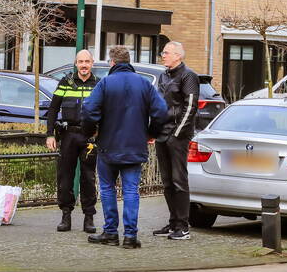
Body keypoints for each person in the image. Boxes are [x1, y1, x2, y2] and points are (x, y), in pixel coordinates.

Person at [81, 45, 168, 249]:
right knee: (131, 191)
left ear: (112, 62)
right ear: (128, 62)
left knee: (108, 189)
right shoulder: (144, 84)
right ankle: (130, 236)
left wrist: (90, 131)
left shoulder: (106, 83)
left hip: (108, 146)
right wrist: (150, 132)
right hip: (135, 146)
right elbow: (162, 112)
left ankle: (111, 233)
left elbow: (88, 109)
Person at [45, 49, 99, 233]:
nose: (84, 65)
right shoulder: (66, 82)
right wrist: (50, 134)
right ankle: (65, 215)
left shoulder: (99, 84)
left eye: (87, 62)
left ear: (92, 63)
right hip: (68, 135)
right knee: (65, 177)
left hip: (90, 137)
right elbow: (53, 109)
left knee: (88, 178)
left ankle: (89, 218)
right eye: (80, 62)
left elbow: (106, 111)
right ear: (76, 64)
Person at [153, 41, 200, 241]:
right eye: (163, 52)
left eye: (166, 52)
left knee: (179, 180)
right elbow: (157, 103)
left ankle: (183, 225)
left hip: (177, 135)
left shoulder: (188, 76)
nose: (163, 55)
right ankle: (173, 222)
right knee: (166, 182)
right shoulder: (164, 75)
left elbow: (190, 107)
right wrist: (153, 130)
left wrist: (177, 134)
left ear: (178, 55)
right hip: (162, 133)